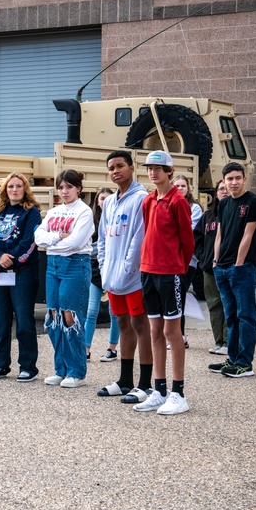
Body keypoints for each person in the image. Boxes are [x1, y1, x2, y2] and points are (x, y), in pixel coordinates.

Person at [129, 151, 196, 415]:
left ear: (170, 170)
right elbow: (149, 232)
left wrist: (179, 270)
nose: (153, 172)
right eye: (149, 168)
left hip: (170, 273)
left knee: (172, 332)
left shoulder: (178, 201)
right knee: (154, 329)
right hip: (148, 270)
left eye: (159, 168)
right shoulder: (148, 201)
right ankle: (159, 389)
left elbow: (187, 241)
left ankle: (178, 392)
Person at [94, 151, 153, 404]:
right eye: (111, 168)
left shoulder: (141, 198)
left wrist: (128, 269)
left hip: (132, 278)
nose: (115, 171)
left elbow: (139, 238)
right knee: (122, 325)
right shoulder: (109, 202)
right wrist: (104, 266)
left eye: (120, 166)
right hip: (112, 276)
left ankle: (146, 384)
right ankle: (125, 380)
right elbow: (103, 238)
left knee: (141, 326)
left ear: (131, 167)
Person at [34, 169, 93, 388]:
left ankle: (76, 371)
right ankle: (60, 368)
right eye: (61, 187)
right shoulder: (53, 211)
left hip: (75, 264)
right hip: (53, 266)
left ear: (78, 188)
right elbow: (38, 236)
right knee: (54, 315)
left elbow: (76, 242)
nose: (65, 191)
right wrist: (58, 236)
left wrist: (52, 243)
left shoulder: (84, 212)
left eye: (69, 187)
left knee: (71, 317)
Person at [0, 172, 42, 382]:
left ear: (25, 189)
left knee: (24, 319)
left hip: (23, 273)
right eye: (10, 186)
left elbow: (29, 243)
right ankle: (0, 365)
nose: (14, 190)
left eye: (18, 186)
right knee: (1, 319)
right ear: (5, 190)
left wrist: (10, 261)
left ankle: (28, 367)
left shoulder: (31, 213)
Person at [210, 162, 256, 378]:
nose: (233, 182)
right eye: (229, 179)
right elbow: (219, 235)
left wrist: (239, 263)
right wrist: (216, 261)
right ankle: (232, 359)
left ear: (244, 179)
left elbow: (249, 235)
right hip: (221, 268)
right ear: (224, 181)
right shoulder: (223, 204)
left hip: (241, 268)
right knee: (230, 316)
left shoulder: (253, 201)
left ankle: (244, 364)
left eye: (237, 178)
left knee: (245, 315)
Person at [84, 187, 120, 362]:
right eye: (101, 198)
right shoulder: (91, 219)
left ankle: (112, 348)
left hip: (112, 268)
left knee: (115, 312)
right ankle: (86, 348)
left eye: (107, 198)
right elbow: (87, 246)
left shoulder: (116, 218)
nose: (104, 201)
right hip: (94, 269)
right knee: (91, 311)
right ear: (97, 201)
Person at [196, 179, 228, 355]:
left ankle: (228, 341)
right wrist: (203, 258)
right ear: (216, 193)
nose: (224, 191)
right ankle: (219, 341)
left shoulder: (236, 213)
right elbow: (197, 239)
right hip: (209, 269)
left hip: (229, 267)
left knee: (228, 304)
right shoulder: (208, 216)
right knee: (214, 305)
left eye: (226, 189)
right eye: (221, 189)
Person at [172, 174, 202, 347]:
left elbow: (188, 230)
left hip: (187, 260)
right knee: (172, 297)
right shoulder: (168, 203)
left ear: (188, 188)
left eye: (183, 185)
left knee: (180, 296)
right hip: (170, 259)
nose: (180, 188)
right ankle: (174, 335)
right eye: (177, 185)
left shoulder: (194, 207)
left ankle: (180, 336)